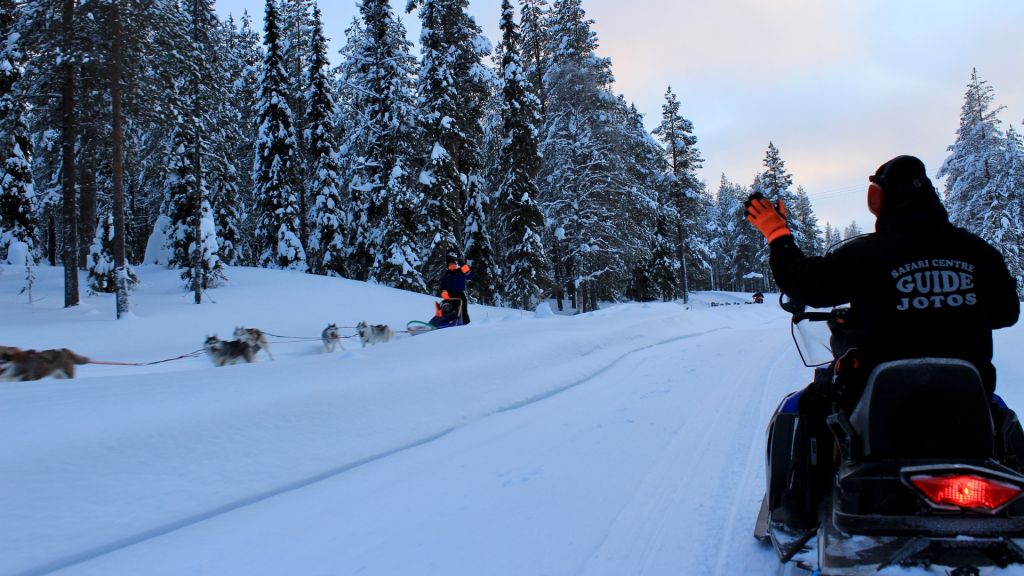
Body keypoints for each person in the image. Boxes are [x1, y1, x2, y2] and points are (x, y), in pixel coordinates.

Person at [745, 154, 1021, 527]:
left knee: (808, 406)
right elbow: (1006, 313)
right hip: (966, 394)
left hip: (878, 396)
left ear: (878, 200)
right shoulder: (978, 252)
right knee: (1002, 416)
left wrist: (778, 235)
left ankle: (795, 515)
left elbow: (806, 282)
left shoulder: (866, 254)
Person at [440, 259, 473, 325]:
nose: (451, 265)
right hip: (449, 296)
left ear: (455, 265)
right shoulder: (446, 274)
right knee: (445, 310)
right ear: (448, 266)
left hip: (459, 295)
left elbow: (469, 276)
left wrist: (463, 265)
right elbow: (443, 287)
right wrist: (445, 297)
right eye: (450, 264)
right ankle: (443, 323)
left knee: (463, 311)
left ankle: (466, 324)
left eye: (453, 264)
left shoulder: (460, 271)